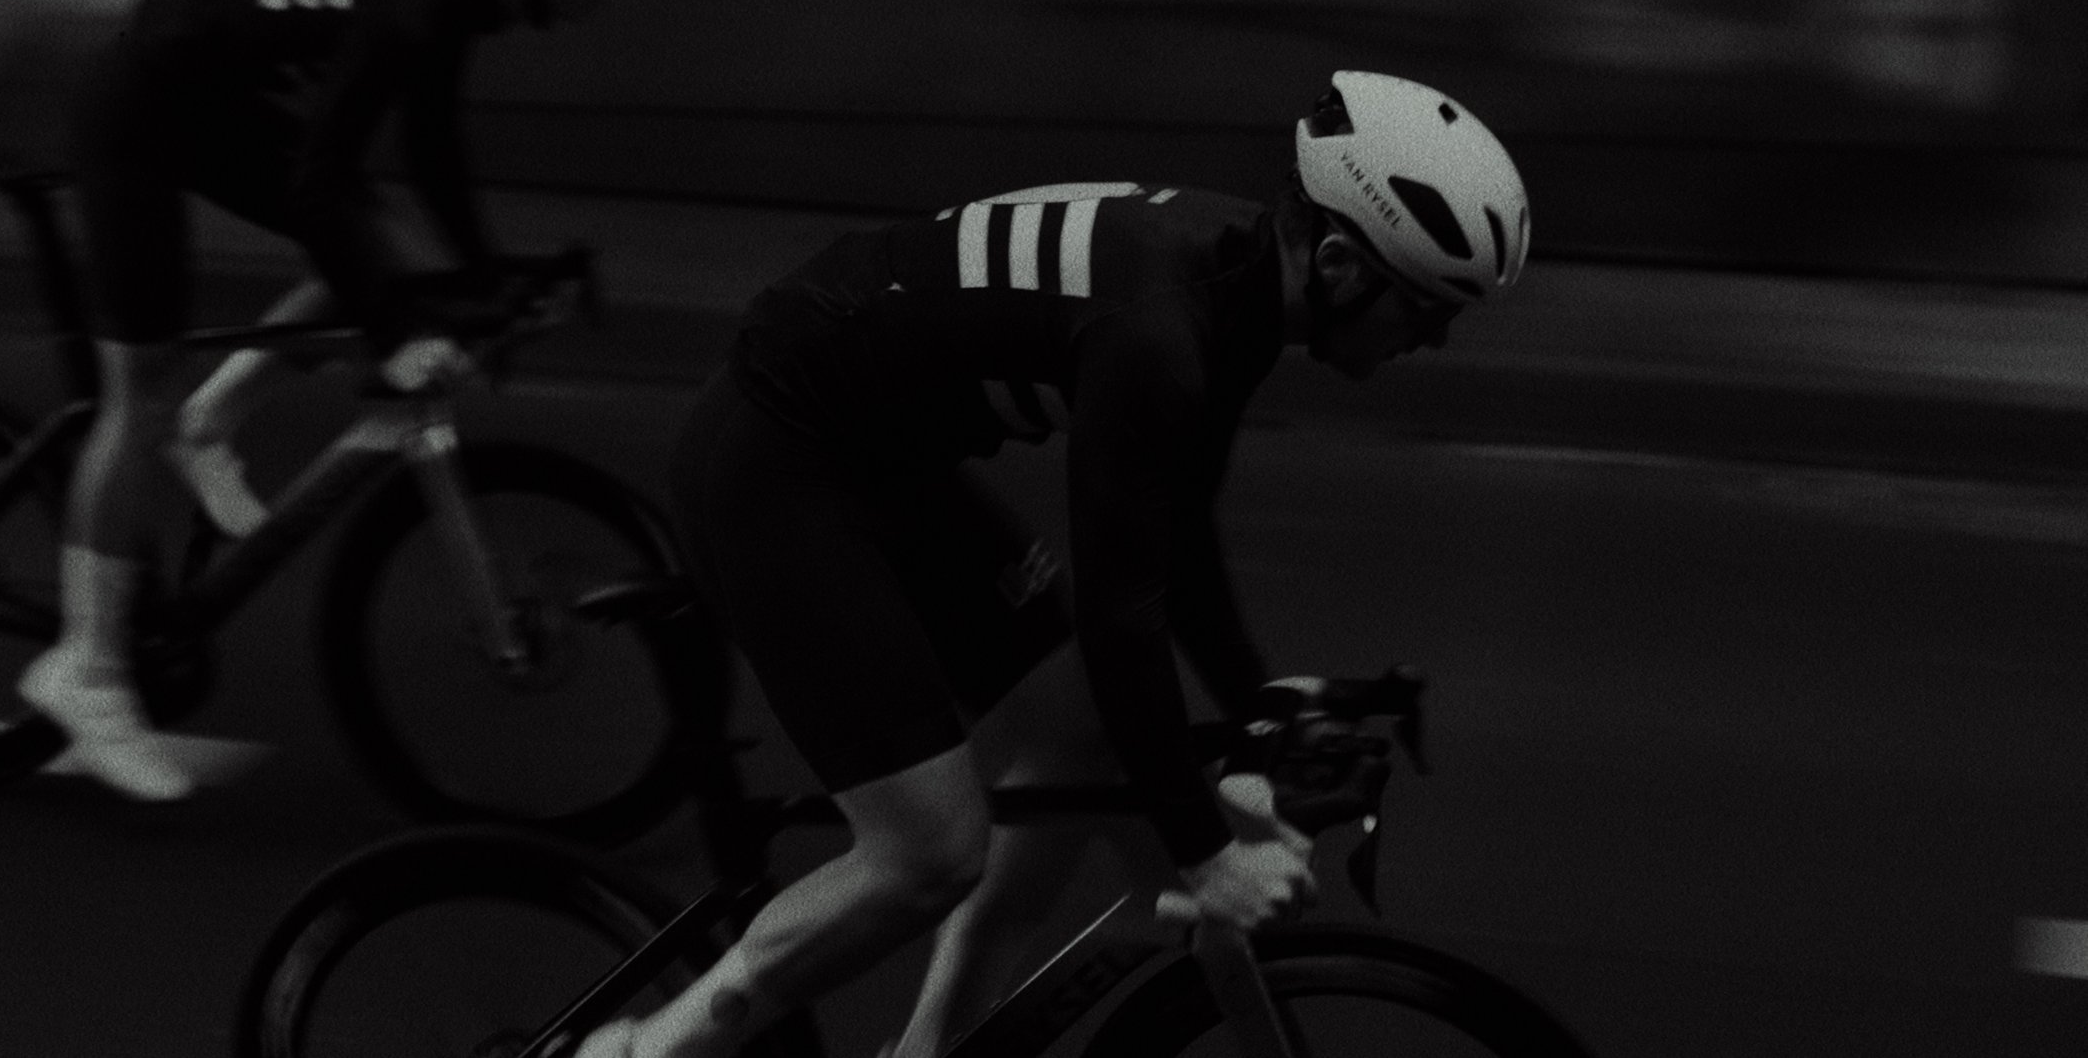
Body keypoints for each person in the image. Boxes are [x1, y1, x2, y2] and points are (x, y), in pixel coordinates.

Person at [615, 72, 1528, 1058]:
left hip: (876, 457)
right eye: (1426, 308)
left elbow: (1177, 536)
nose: (1431, 338)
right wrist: (1205, 850)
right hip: (774, 464)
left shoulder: (1244, 283)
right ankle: (642, 1051)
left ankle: (932, 1044)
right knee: (927, 853)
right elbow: (1122, 610)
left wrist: (1262, 703)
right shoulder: (1160, 338)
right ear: (1345, 263)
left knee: (1081, 721)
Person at [16, 0, 653, 801]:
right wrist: (404, 331)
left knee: (382, 242)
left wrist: (480, 275)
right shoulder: (421, 3)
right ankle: (87, 667)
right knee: (137, 392)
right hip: (139, 105)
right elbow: (321, 184)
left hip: (214, 90)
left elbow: (430, 146)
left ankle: (213, 422)